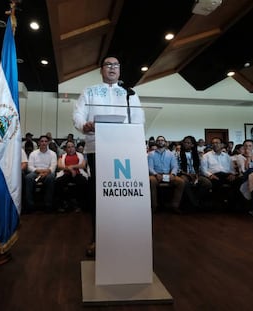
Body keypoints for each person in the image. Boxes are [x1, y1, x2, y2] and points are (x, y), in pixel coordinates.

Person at [73, 55, 145, 257]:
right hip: (98, 148)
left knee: (122, 195)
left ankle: (123, 236)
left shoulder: (129, 94)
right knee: (99, 196)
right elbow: (78, 114)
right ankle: (98, 238)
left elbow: (139, 119)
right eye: (108, 65)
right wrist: (83, 125)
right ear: (101, 69)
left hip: (125, 150)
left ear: (120, 70)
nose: (112, 68)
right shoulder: (90, 91)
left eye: (116, 65)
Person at [148, 136, 185, 213]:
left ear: (165, 142)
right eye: (158, 140)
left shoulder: (171, 154)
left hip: (168, 175)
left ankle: (174, 206)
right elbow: (150, 167)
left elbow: (175, 166)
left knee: (181, 182)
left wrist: (173, 174)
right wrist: (155, 174)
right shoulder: (151, 154)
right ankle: (154, 206)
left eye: (162, 140)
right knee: (151, 181)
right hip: (156, 175)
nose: (160, 141)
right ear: (156, 142)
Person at [25, 135, 57, 213]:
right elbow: (30, 167)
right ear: (39, 143)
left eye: (46, 141)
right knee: (28, 177)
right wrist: (39, 171)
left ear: (48, 142)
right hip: (36, 172)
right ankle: (30, 205)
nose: (44, 143)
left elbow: (53, 166)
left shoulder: (53, 154)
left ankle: (48, 205)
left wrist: (45, 172)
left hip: (48, 173)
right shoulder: (33, 153)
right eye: (42, 141)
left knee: (51, 177)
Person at [54, 141, 88, 213]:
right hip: (65, 174)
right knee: (58, 182)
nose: (70, 149)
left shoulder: (80, 155)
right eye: (68, 147)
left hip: (78, 173)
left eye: (72, 146)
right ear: (66, 149)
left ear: (75, 148)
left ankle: (80, 205)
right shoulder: (62, 156)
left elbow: (83, 165)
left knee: (83, 182)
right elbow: (60, 166)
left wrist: (71, 167)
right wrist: (69, 169)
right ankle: (62, 204)